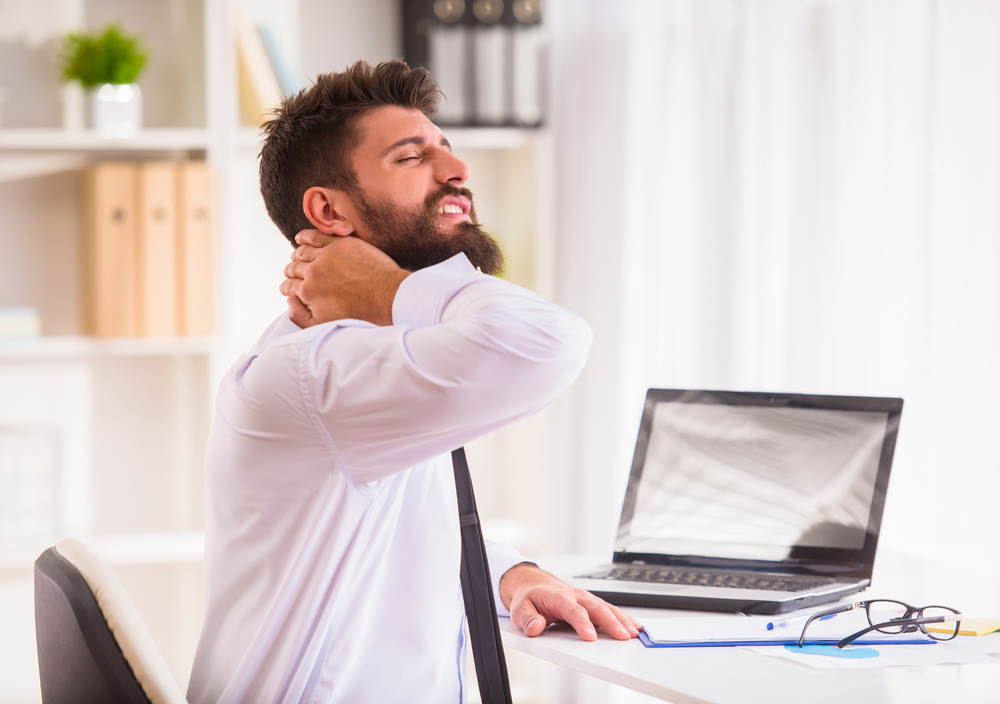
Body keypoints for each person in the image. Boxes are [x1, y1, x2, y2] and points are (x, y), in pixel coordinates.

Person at [187, 60, 640, 704]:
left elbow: (398, 518)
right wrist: (390, 287)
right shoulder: (319, 372)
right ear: (328, 210)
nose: (457, 170)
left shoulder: (369, 354)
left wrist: (508, 571)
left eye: (446, 148)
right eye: (411, 156)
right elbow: (551, 341)